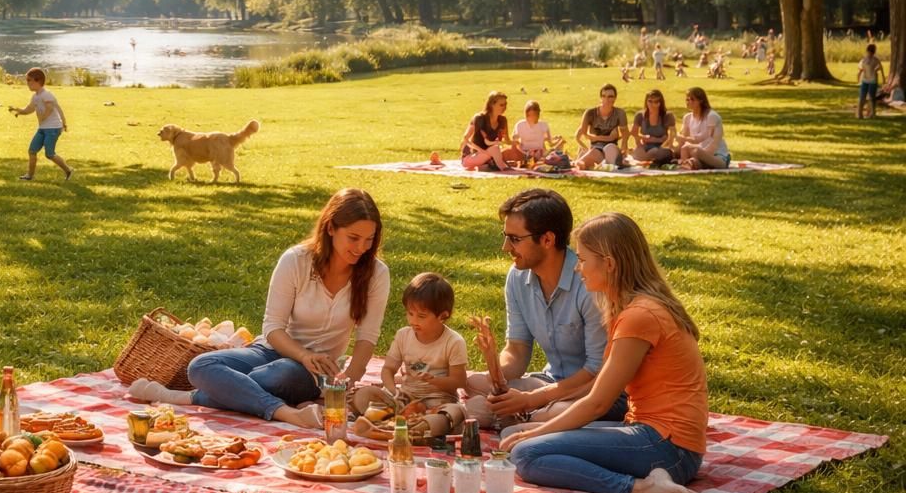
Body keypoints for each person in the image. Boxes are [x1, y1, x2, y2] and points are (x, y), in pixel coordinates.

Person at [128, 188, 391, 430]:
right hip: (271, 350)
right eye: (353, 238)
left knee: (280, 376)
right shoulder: (296, 261)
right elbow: (273, 327)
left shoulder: (376, 274)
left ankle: (184, 396)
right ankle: (286, 413)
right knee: (200, 366)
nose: (361, 248)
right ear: (331, 228)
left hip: (314, 372)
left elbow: (367, 337)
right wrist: (302, 354)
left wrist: (347, 382)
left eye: (369, 239)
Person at [504, 213, 708, 493]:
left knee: (526, 454)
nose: (578, 267)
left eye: (584, 260)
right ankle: (646, 480)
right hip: (656, 436)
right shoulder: (635, 307)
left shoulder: (640, 315)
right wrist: (537, 419)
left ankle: (641, 488)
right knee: (514, 438)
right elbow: (597, 392)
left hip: (669, 449)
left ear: (609, 264)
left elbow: (598, 403)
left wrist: (535, 433)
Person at [462, 189, 627, 432]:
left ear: (547, 240)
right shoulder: (517, 277)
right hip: (550, 381)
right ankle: (528, 417)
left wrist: (532, 399)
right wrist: (495, 377)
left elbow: (596, 371)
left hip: (593, 391)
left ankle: (532, 420)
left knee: (514, 416)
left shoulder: (590, 284)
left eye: (515, 239)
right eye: (505, 236)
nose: (505, 247)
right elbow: (517, 350)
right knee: (474, 387)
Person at [351, 272, 467, 440]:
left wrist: (433, 380)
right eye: (410, 313)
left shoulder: (454, 341)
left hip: (437, 401)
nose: (413, 320)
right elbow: (388, 369)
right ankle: (398, 425)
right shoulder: (403, 335)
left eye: (421, 316)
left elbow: (459, 381)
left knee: (455, 412)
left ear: (443, 316)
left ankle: (414, 429)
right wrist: (393, 391)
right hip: (405, 399)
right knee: (364, 395)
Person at [9, 67, 72, 180]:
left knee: (49, 154)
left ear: (37, 81)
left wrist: (43, 117)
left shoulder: (46, 94)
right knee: (32, 151)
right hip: (43, 128)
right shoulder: (36, 96)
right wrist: (19, 111)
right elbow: (30, 109)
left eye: (29, 80)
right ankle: (29, 175)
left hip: (53, 128)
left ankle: (68, 170)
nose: (27, 83)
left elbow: (50, 107)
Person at [460, 91, 524, 171]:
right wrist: (482, 151)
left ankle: (489, 165)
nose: (504, 107)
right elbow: (466, 138)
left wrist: (516, 142)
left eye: (505, 104)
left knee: (497, 149)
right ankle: (503, 167)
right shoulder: (479, 118)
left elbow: (507, 140)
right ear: (491, 105)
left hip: (489, 154)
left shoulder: (502, 120)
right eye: (501, 105)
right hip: (472, 156)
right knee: (495, 149)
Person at [573, 83, 627, 170]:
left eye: (610, 96)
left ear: (615, 98)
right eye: (604, 96)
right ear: (600, 97)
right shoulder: (590, 113)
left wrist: (624, 149)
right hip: (596, 149)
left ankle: (607, 165)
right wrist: (606, 138)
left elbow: (625, 134)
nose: (607, 99)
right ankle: (604, 165)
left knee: (609, 148)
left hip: (611, 148)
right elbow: (583, 134)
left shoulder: (619, 113)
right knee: (592, 154)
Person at [677, 86, 729, 169]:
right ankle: (689, 164)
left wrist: (699, 154)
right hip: (698, 153)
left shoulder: (712, 116)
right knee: (685, 148)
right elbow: (682, 140)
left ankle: (693, 162)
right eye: (687, 99)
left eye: (692, 99)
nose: (689, 102)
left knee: (695, 151)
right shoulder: (687, 117)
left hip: (717, 156)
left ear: (701, 100)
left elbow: (713, 144)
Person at [628, 89, 675, 167]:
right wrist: (641, 140)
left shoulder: (667, 116)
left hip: (662, 147)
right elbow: (633, 132)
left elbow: (672, 134)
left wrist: (659, 140)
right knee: (639, 154)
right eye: (650, 101)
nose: (652, 104)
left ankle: (651, 160)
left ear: (660, 103)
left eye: (656, 102)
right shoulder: (640, 115)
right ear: (646, 102)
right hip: (645, 146)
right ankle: (650, 161)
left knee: (658, 152)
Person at [513, 100, 564, 165]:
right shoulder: (520, 124)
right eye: (529, 115)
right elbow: (515, 142)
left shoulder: (543, 125)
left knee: (554, 154)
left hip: (540, 154)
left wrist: (558, 141)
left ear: (538, 114)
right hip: (525, 153)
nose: (531, 117)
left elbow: (550, 143)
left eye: (534, 115)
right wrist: (515, 139)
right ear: (526, 114)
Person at [857, 43, 884, 119]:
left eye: (871, 52)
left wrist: (876, 71)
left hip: (872, 81)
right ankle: (860, 114)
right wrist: (859, 78)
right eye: (869, 51)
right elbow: (859, 68)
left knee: (871, 98)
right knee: (862, 97)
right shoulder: (864, 60)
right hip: (865, 81)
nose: (870, 53)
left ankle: (872, 114)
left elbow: (881, 68)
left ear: (873, 52)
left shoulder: (875, 60)